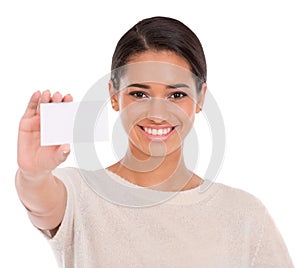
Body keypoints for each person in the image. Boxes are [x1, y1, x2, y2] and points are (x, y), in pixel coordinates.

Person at [15, 16, 294, 267]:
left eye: (176, 96)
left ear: (201, 98)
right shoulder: (78, 194)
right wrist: (33, 173)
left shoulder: (245, 215)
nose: (158, 115)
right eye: (139, 94)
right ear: (114, 95)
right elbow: (41, 200)